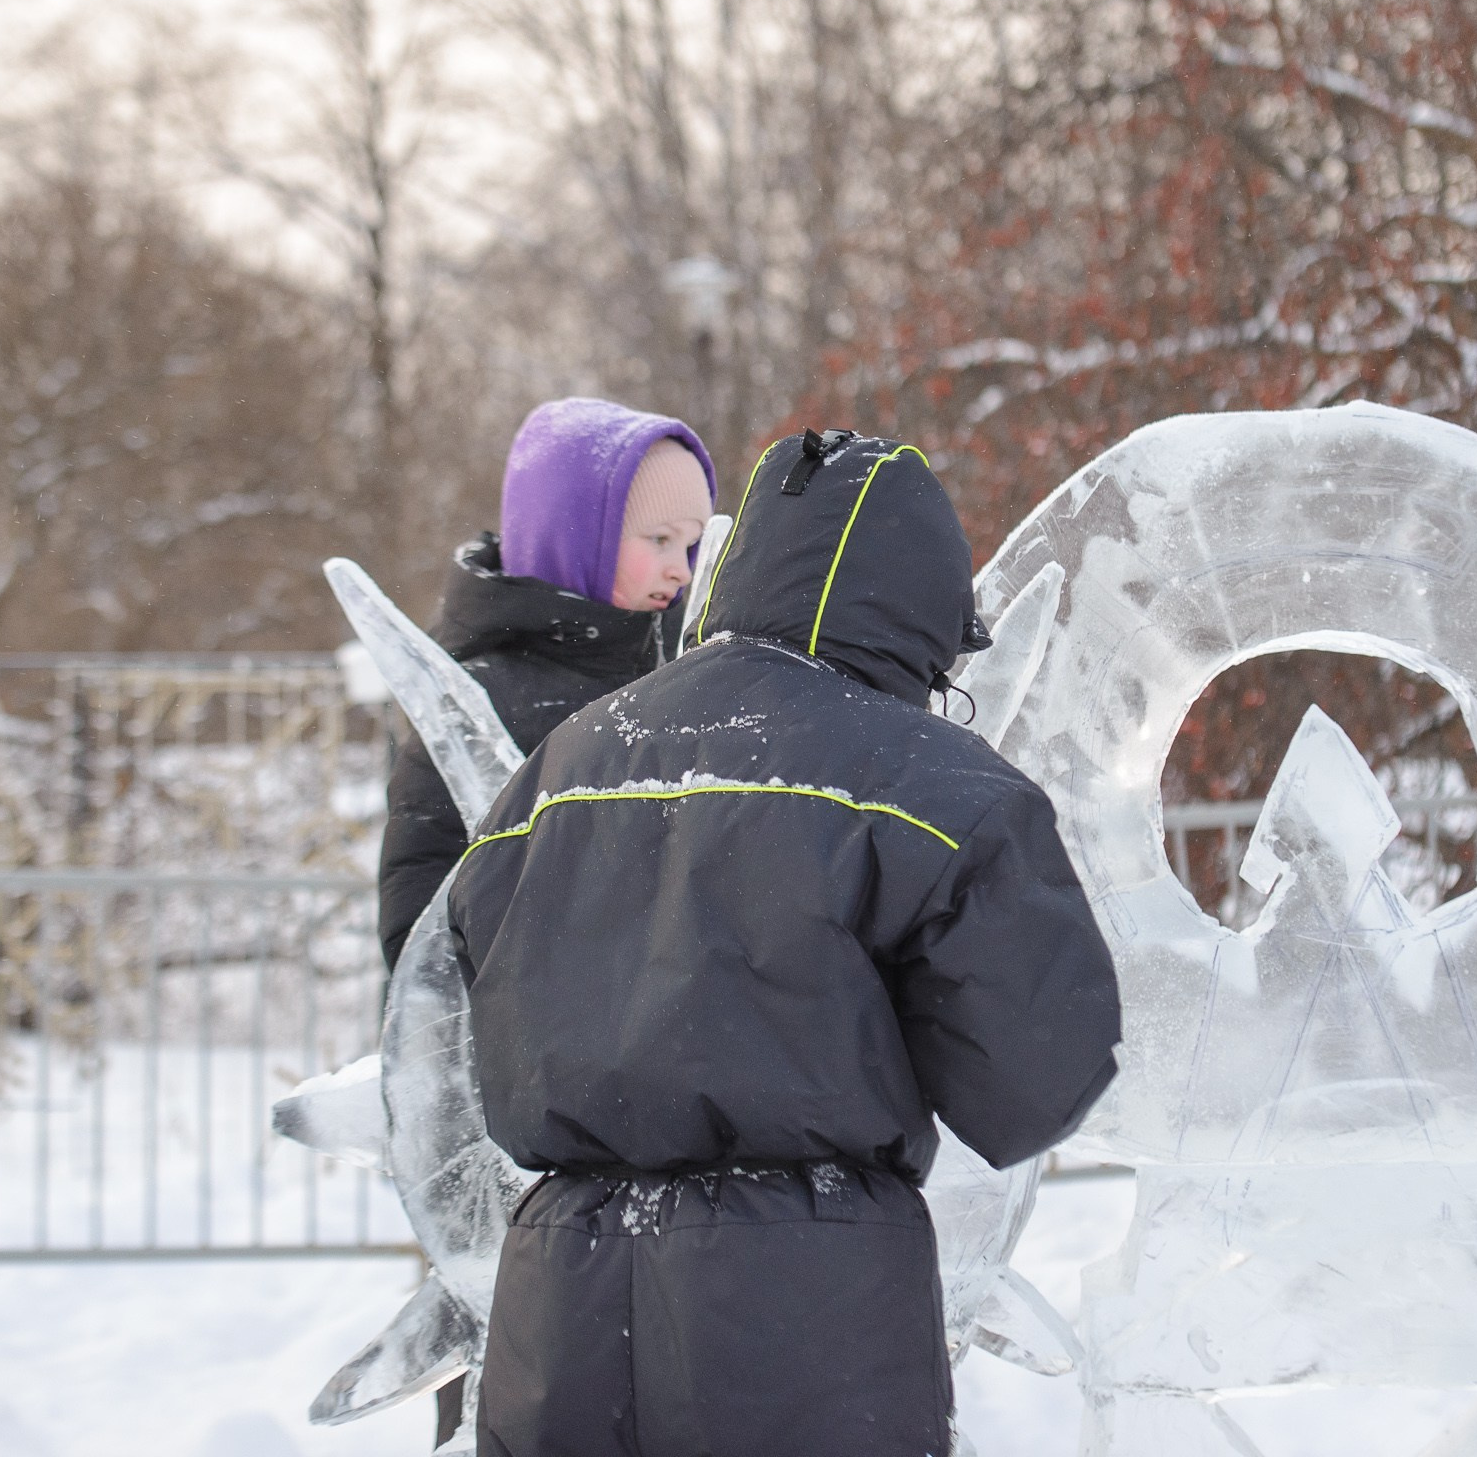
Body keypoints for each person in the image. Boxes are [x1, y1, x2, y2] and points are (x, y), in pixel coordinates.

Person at [449, 427, 1124, 1457]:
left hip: (558, 1299)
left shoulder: (566, 761)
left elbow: (474, 964)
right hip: (803, 1314)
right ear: (920, 611)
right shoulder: (934, 785)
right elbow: (1036, 1076)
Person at [374, 396, 715, 1448]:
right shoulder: (477, 690)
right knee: (514, 1359)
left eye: (693, 542)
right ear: (573, 534)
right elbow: (418, 909)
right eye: (653, 538)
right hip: (507, 1108)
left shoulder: (686, 673)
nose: (678, 565)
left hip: (657, 1096)